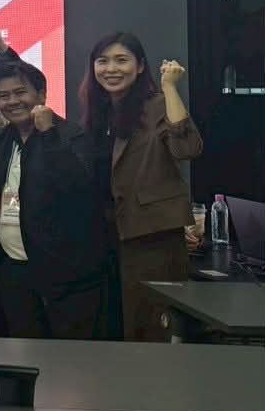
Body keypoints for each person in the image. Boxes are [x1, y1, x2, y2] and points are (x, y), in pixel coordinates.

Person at [78, 33, 203, 342]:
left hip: (151, 232)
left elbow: (186, 148)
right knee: (115, 323)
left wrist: (170, 88)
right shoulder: (98, 111)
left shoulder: (157, 104)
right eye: (103, 61)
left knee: (151, 325)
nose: (111, 69)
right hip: (106, 235)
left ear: (140, 66)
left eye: (121, 60)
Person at [0, 60, 106, 340]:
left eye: (20, 92)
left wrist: (48, 134)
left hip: (65, 275)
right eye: (3, 96)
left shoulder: (72, 136)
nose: (13, 101)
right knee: (23, 349)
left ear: (41, 94)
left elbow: (80, 191)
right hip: (14, 268)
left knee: (68, 357)